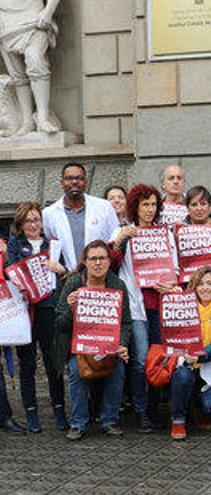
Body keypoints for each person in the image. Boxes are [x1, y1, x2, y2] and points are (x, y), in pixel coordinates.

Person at [111, 184, 179, 433]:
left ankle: (154, 408)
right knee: (140, 360)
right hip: (136, 306)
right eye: (145, 204)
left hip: (160, 305)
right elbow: (111, 266)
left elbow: (176, 266)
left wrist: (170, 283)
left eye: (153, 205)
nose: (150, 210)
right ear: (135, 207)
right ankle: (141, 411)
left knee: (159, 358)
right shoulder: (124, 233)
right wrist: (119, 241)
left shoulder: (165, 234)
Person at [54, 240, 133, 441]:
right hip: (79, 348)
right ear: (85, 262)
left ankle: (109, 421)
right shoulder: (73, 283)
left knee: (119, 370)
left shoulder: (117, 285)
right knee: (76, 371)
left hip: (109, 346)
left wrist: (122, 344)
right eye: (93, 259)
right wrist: (71, 310)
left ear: (109, 261)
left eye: (102, 258)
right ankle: (78, 423)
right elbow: (59, 323)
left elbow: (125, 322)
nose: (98, 263)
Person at [5, 202, 68, 433]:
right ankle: (31, 412)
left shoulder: (52, 245)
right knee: (28, 363)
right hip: (27, 311)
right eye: (28, 221)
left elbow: (68, 271)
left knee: (54, 362)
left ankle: (60, 409)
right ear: (21, 224)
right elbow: (11, 271)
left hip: (49, 309)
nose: (33, 225)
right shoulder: (15, 244)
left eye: (36, 220)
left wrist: (58, 268)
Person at [169, 266, 211, 440]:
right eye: (200, 284)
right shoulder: (182, 309)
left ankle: (200, 409)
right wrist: (173, 299)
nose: (205, 288)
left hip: (208, 376)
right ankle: (178, 419)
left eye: (209, 283)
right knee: (182, 376)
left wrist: (198, 355)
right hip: (185, 368)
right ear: (194, 287)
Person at [42, 162, 119, 270]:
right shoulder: (49, 213)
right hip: (67, 277)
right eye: (69, 178)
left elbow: (114, 240)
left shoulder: (104, 207)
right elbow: (51, 244)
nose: (74, 182)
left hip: (100, 276)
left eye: (79, 178)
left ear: (85, 182)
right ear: (62, 183)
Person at [0, 0, 61, 134]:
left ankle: (43, 119)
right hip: (6, 22)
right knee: (17, 74)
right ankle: (27, 122)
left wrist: (48, 11)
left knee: (35, 59)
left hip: (34, 18)